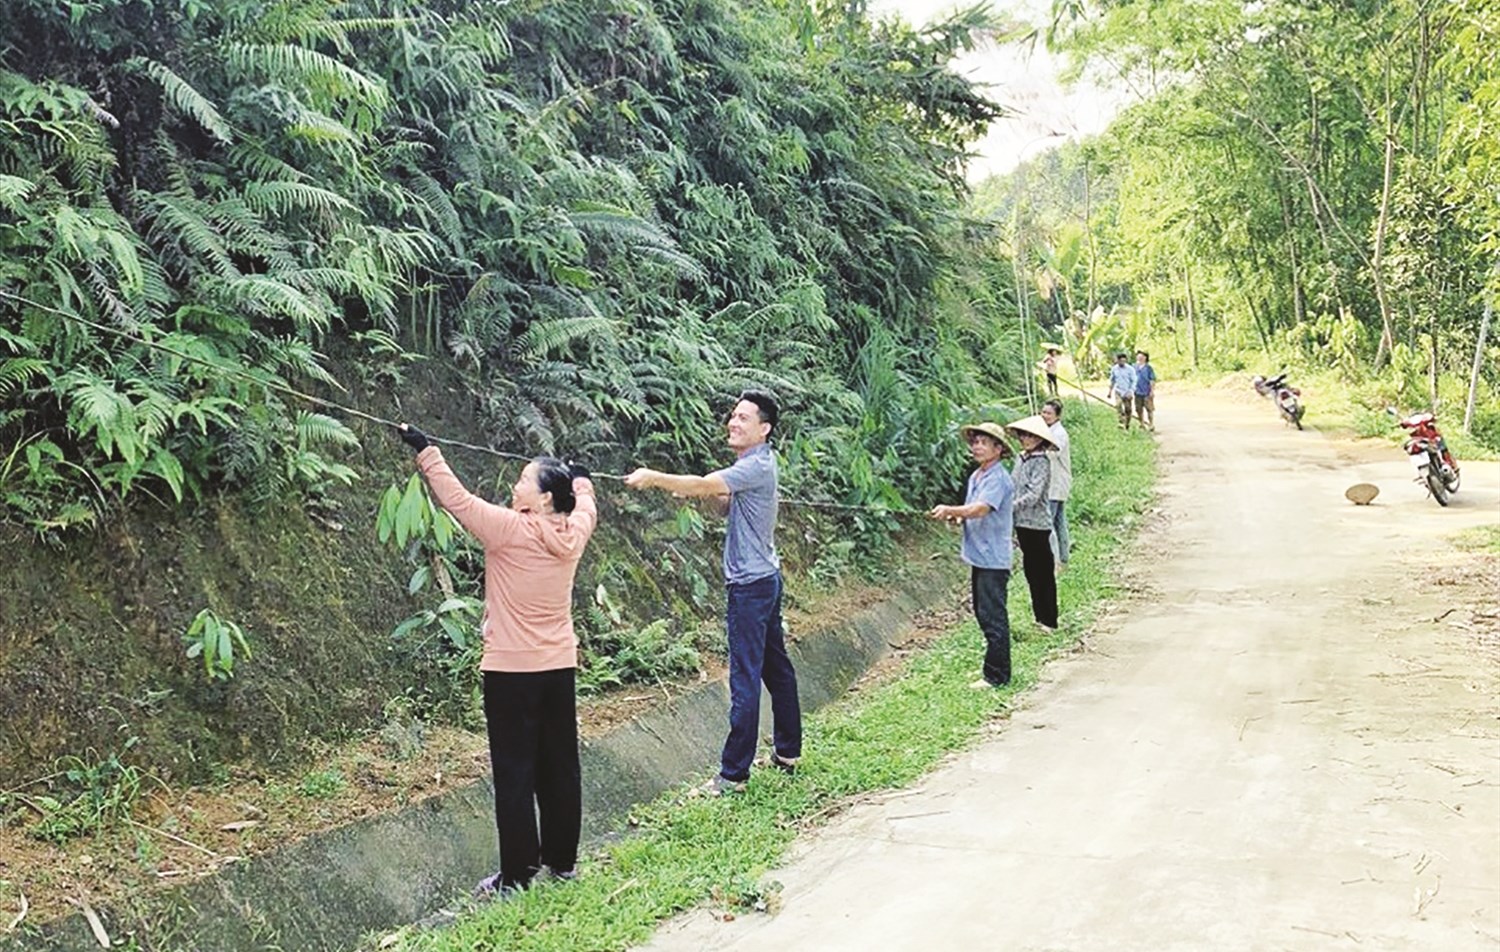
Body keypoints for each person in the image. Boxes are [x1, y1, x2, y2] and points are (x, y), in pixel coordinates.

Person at [395, 424, 596, 898]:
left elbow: (457, 500)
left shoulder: (507, 530)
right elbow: (587, 504)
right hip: (558, 667)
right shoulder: (575, 530)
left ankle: (519, 875)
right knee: (560, 765)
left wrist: (426, 450)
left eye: (525, 480)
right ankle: (563, 863)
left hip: (510, 672)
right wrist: (583, 478)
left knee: (515, 770)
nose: (515, 485)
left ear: (545, 498)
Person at [623, 390, 801, 794]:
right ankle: (788, 751)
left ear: (764, 429)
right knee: (776, 667)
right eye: (732, 416)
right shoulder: (756, 463)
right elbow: (721, 503)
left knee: (745, 677)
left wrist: (655, 477)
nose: (733, 423)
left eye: (743, 418)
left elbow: (706, 484)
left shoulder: (754, 465)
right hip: (766, 578)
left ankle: (733, 774)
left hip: (750, 586)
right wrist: (700, 494)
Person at [928, 421, 1015, 688]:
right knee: (982, 612)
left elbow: (980, 509)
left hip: (993, 557)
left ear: (998, 449)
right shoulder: (977, 476)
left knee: (993, 616)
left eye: (984, 442)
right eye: (975, 441)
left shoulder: (999, 478)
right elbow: (970, 512)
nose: (977, 446)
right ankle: (993, 667)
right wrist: (957, 517)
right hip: (979, 555)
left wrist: (951, 509)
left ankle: (997, 676)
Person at [1006, 415, 1059, 632]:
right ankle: (1039, 618)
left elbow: (1035, 494)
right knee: (1031, 571)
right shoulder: (1021, 458)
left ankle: (1049, 620)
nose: (1025, 439)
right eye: (1023, 435)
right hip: (1022, 524)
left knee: (1043, 572)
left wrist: (1010, 506)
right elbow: (1012, 484)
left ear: (1039, 439)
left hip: (1038, 524)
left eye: (1030, 436)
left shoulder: (1042, 462)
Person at [1040, 399, 1071, 571]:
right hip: (1054, 485)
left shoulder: (1059, 434)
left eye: (1048, 413)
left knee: (1049, 523)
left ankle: (1054, 561)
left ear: (1057, 416)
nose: (1045, 416)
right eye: (1043, 412)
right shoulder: (1048, 431)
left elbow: (1051, 453)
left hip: (1055, 484)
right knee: (1059, 522)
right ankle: (1063, 559)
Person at [1108, 352, 1137, 430]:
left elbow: (1134, 381)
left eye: (1124, 361)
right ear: (1117, 361)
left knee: (1128, 409)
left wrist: (1131, 391)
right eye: (1121, 361)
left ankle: (1127, 424)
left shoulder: (1130, 369)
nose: (1122, 363)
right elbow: (1112, 380)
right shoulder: (1114, 369)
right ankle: (1121, 421)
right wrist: (1110, 391)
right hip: (1118, 391)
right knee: (1118, 405)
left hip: (1127, 391)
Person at [1133, 350, 1157, 431]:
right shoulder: (1134, 367)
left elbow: (1152, 380)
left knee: (1149, 409)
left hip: (1146, 392)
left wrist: (1152, 391)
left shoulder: (1148, 368)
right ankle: (1141, 424)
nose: (1139, 358)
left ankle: (1151, 424)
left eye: (1141, 356)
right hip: (1137, 392)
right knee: (1138, 409)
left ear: (1145, 358)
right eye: (1138, 356)